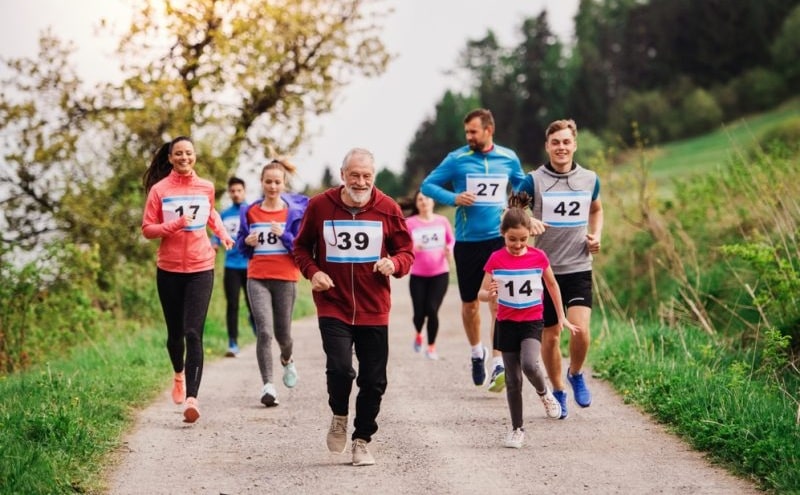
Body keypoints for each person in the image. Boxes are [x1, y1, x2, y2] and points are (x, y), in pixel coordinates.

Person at [293, 147, 414, 467]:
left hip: (374, 306)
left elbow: (406, 251)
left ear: (373, 177)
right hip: (333, 302)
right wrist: (313, 272)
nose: (361, 182)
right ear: (342, 175)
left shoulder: (388, 208)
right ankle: (339, 414)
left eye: (367, 176)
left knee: (374, 380)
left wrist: (394, 263)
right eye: (355, 175)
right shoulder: (320, 205)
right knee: (340, 368)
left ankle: (362, 440)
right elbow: (301, 247)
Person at [420, 108, 526, 392]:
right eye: (466, 132)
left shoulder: (508, 157)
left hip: (497, 239)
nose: (468, 137)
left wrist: (515, 207)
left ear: (488, 130)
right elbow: (427, 185)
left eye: (473, 132)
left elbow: (521, 187)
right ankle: (477, 351)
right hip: (467, 241)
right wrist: (453, 197)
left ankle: (497, 362)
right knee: (470, 305)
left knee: (496, 301)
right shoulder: (457, 159)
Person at [141, 136, 234, 424]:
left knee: (194, 332)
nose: (184, 157)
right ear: (170, 158)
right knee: (175, 335)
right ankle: (178, 374)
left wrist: (223, 234)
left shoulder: (205, 186)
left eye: (189, 153)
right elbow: (147, 229)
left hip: (200, 266)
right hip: (168, 269)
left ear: (195, 156)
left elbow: (211, 213)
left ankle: (192, 399)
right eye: (178, 153)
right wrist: (174, 225)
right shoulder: (160, 190)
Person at [477, 192, 579, 448]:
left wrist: (562, 317)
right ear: (503, 235)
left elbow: (553, 286)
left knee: (530, 365)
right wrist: (489, 294)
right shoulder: (495, 259)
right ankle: (516, 429)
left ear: (530, 236)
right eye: (512, 239)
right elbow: (479, 293)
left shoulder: (538, 257)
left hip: (532, 321)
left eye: (523, 239)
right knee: (512, 380)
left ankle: (545, 394)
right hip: (506, 323)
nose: (518, 244)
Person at [518, 118, 603, 419]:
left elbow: (596, 208)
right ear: (547, 146)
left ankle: (576, 373)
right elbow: (513, 211)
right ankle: (558, 390)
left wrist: (597, 235)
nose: (561, 147)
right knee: (551, 336)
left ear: (575, 144)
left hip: (579, 265)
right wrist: (528, 221)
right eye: (556, 142)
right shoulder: (533, 180)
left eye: (566, 142)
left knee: (581, 331)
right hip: (544, 270)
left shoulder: (590, 179)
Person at [236, 157, 309, 407]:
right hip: (257, 277)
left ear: (283, 183)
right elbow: (240, 244)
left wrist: (285, 235)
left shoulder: (293, 212)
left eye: (277, 182)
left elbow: (301, 247)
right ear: (261, 183)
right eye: (268, 182)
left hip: (285, 279)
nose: (273, 186)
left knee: (283, 335)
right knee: (264, 331)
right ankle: (268, 385)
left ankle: (287, 359)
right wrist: (247, 242)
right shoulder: (251, 211)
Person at [403, 190, 455, 360]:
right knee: (419, 313)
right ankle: (419, 333)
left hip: (440, 273)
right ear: (416, 204)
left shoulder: (442, 221)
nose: (423, 202)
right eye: (420, 199)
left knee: (432, 310)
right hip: (418, 274)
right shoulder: (410, 223)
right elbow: (402, 244)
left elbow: (451, 240)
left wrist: (449, 249)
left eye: (426, 198)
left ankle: (431, 347)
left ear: (433, 202)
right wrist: (411, 248)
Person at [212, 176, 255, 357]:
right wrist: (214, 244)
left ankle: (259, 331)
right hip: (231, 266)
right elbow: (216, 234)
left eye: (239, 191)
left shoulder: (252, 211)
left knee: (253, 304)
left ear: (244, 191)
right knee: (233, 305)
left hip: (251, 265)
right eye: (233, 191)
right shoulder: (224, 214)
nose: (236, 194)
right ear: (229, 193)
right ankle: (232, 343)